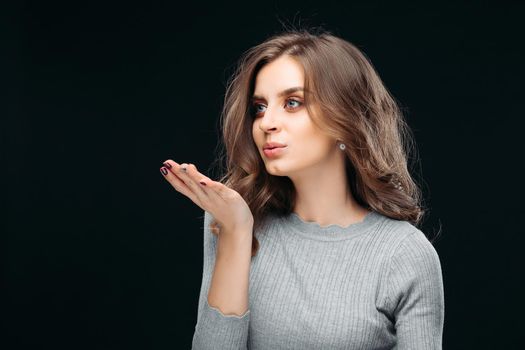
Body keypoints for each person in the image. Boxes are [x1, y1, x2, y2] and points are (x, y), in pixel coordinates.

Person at [159, 27, 444, 349]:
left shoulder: (403, 253)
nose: (267, 123)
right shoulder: (231, 223)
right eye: (259, 107)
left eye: (292, 103)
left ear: (347, 117)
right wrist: (237, 235)